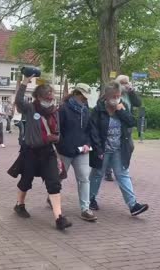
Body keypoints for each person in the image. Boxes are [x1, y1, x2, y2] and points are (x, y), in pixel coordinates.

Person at [13, 76, 72, 231]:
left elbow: (57, 130)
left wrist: (56, 137)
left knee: (54, 183)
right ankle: (19, 205)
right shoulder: (31, 108)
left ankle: (59, 218)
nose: (50, 100)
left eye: (52, 98)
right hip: (31, 152)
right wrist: (25, 82)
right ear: (38, 98)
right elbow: (18, 101)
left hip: (48, 152)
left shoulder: (54, 111)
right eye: (47, 98)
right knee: (26, 181)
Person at [88, 81, 149, 216]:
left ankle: (133, 205)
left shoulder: (122, 107)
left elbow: (131, 122)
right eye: (114, 96)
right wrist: (98, 150)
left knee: (123, 174)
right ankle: (90, 199)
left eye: (118, 96)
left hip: (118, 149)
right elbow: (93, 132)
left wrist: (121, 111)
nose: (116, 98)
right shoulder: (98, 110)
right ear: (107, 96)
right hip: (103, 148)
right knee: (97, 174)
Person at [55, 83, 97, 221]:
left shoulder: (86, 110)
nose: (85, 100)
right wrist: (61, 147)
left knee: (84, 178)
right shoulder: (63, 109)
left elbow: (89, 130)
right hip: (65, 151)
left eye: (86, 98)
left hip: (82, 151)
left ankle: (85, 209)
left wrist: (88, 144)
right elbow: (57, 131)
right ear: (76, 94)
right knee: (59, 178)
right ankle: (52, 197)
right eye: (83, 97)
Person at [105, 75, 142, 181]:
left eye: (127, 83)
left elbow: (138, 103)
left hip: (127, 124)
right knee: (112, 148)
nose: (125, 85)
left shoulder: (129, 94)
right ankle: (108, 171)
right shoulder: (114, 94)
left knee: (129, 147)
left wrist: (132, 91)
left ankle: (123, 169)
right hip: (116, 125)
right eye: (123, 83)